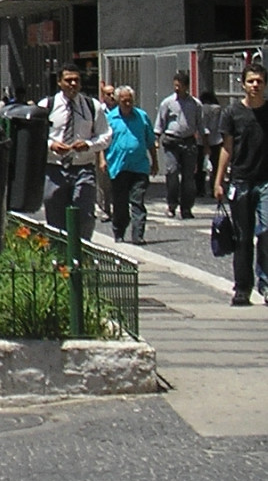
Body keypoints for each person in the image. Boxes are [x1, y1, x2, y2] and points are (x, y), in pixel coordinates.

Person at [215, 66, 268, 306]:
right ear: (243, 85)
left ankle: (265, 284)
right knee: (243, 237)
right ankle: (242, 288)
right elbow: (227, 147)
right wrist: (218, 180)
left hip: (265, 182)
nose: (255, 85)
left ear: (265, 84)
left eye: (259, 81)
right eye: (251, 81)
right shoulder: (232, 113)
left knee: (266, 233)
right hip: (241, 180)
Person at [40, 65, 109, 241]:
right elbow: (36, 136)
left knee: (85, 215)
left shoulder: (92, 106)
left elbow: (106, 135)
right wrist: (51, 145)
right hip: (54, 168)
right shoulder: (47, 106)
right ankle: (60, 258)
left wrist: (88, 145)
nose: (72, 84)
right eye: (68, 80)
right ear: (59, 82)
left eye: (76, 80)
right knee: (55, 218)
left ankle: (82, 253)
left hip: (83, 168)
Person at [102, 84, 154, 245]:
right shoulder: (110, 119)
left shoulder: (142, 117)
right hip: (118, 167)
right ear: (118, 101)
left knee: (138, 201)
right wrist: (102, 160)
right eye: (124, 101)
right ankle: (118, 231)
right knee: (120, 203)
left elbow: (150, 141)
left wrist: (155, 161)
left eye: (130, 101)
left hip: (139, 167)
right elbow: (102, 142)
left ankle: (138, 235)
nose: (127, 104)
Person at [154, 71, 205, 219]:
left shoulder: (195, 104)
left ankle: (187, 207)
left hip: (189, 142)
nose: (177, 88)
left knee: (189, 178)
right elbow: (160, 123)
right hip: (172, 141)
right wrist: (157, 138)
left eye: (180, 86)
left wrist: (205, 144)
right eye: (175, 85)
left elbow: (201, 125)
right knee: (172, 172)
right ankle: (171, 204)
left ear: (186, 86)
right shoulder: (167, 103)